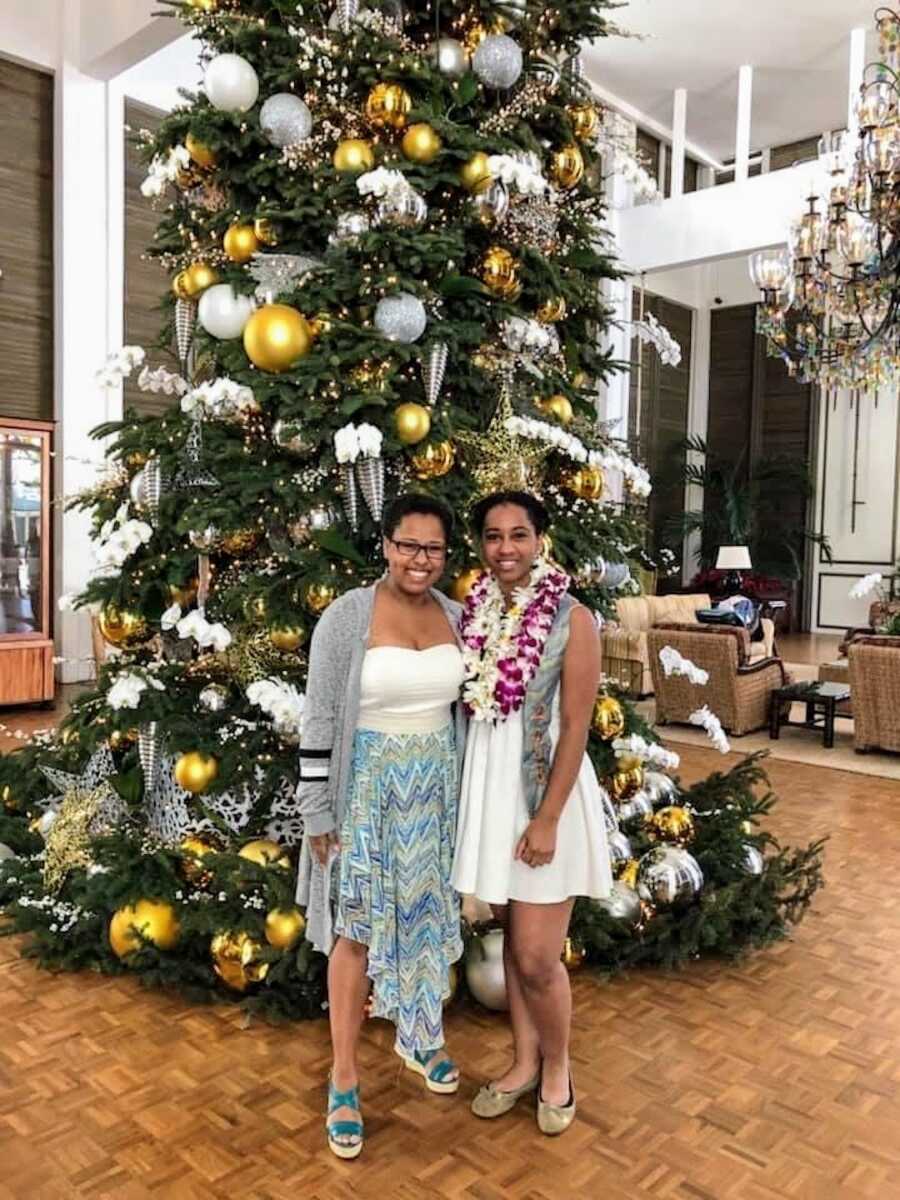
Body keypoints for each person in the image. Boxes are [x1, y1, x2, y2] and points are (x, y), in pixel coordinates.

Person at [295, 493, 466, 1160]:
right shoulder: (346, 619)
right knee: (355, 930)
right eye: (408, 545)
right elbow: (318, 717)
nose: (420, 560)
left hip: (437, 788)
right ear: (386, 545)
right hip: (365, 788)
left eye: (433, 549)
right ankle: (343, 1077)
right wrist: (318, 810)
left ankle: (422, 1036)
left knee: (426, 915)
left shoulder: (458, 615)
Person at [452, 490, 612, 1136]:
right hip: (491, 796)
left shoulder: (573, 619)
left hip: (544, 796)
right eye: (493, 536)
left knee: (538, 954)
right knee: (512, 949)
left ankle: (558, 1067)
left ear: (540, 540)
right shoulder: (478, 610)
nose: (506, 548)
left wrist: (546, 818)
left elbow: (576, 726)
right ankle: (521, 1063)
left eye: (519, 534)